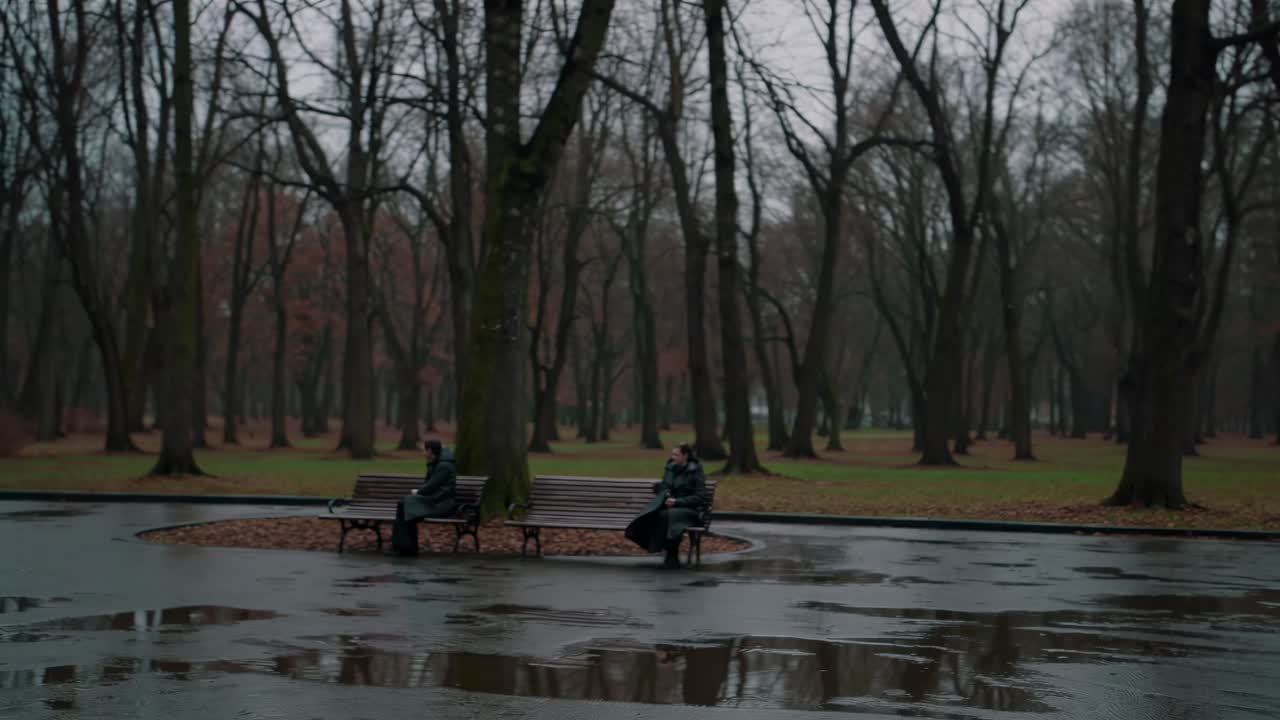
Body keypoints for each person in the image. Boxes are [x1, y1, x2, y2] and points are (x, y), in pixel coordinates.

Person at [624, 443, 709, 568]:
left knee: (667, 515)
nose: (673, 457)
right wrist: (659, 488)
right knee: (654, 514)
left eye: (676, 454)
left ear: (685, 455)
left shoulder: (695, 471)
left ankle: (671, 552)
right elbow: (666, 487)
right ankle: (668, 551)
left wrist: (677, 501)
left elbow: (700, 497)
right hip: (671, 507)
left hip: (690, 510)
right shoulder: (671, 468)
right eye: (672, 454)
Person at [390, 439, 457, 556]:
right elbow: (429, 485)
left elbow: (430, 487)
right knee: (404, 506)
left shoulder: (444, 466)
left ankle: (404, 548)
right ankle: (403, 547)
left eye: (425, 451)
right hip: (433, 501)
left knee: (405, 505)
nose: (424, 453)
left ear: (430, 451)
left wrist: (418, 492)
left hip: (441, 504)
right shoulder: (436, 463)